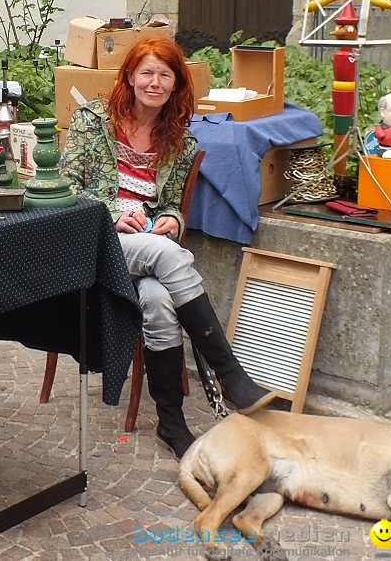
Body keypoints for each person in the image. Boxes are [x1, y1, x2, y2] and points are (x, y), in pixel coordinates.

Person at [59, 36, 275, 458]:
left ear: (176, 84)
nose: (154, 82)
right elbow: (65, 187)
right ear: (130, 77)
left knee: (158, 301)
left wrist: (171, 218)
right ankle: (229, 373)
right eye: (146, 73)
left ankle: (171, 423)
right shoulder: (92, 121)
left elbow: (172, 202)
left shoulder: (179, 141)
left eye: (165, 74)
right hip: (94, 239)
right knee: (170, 255)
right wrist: (111, 213)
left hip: (144, 247)